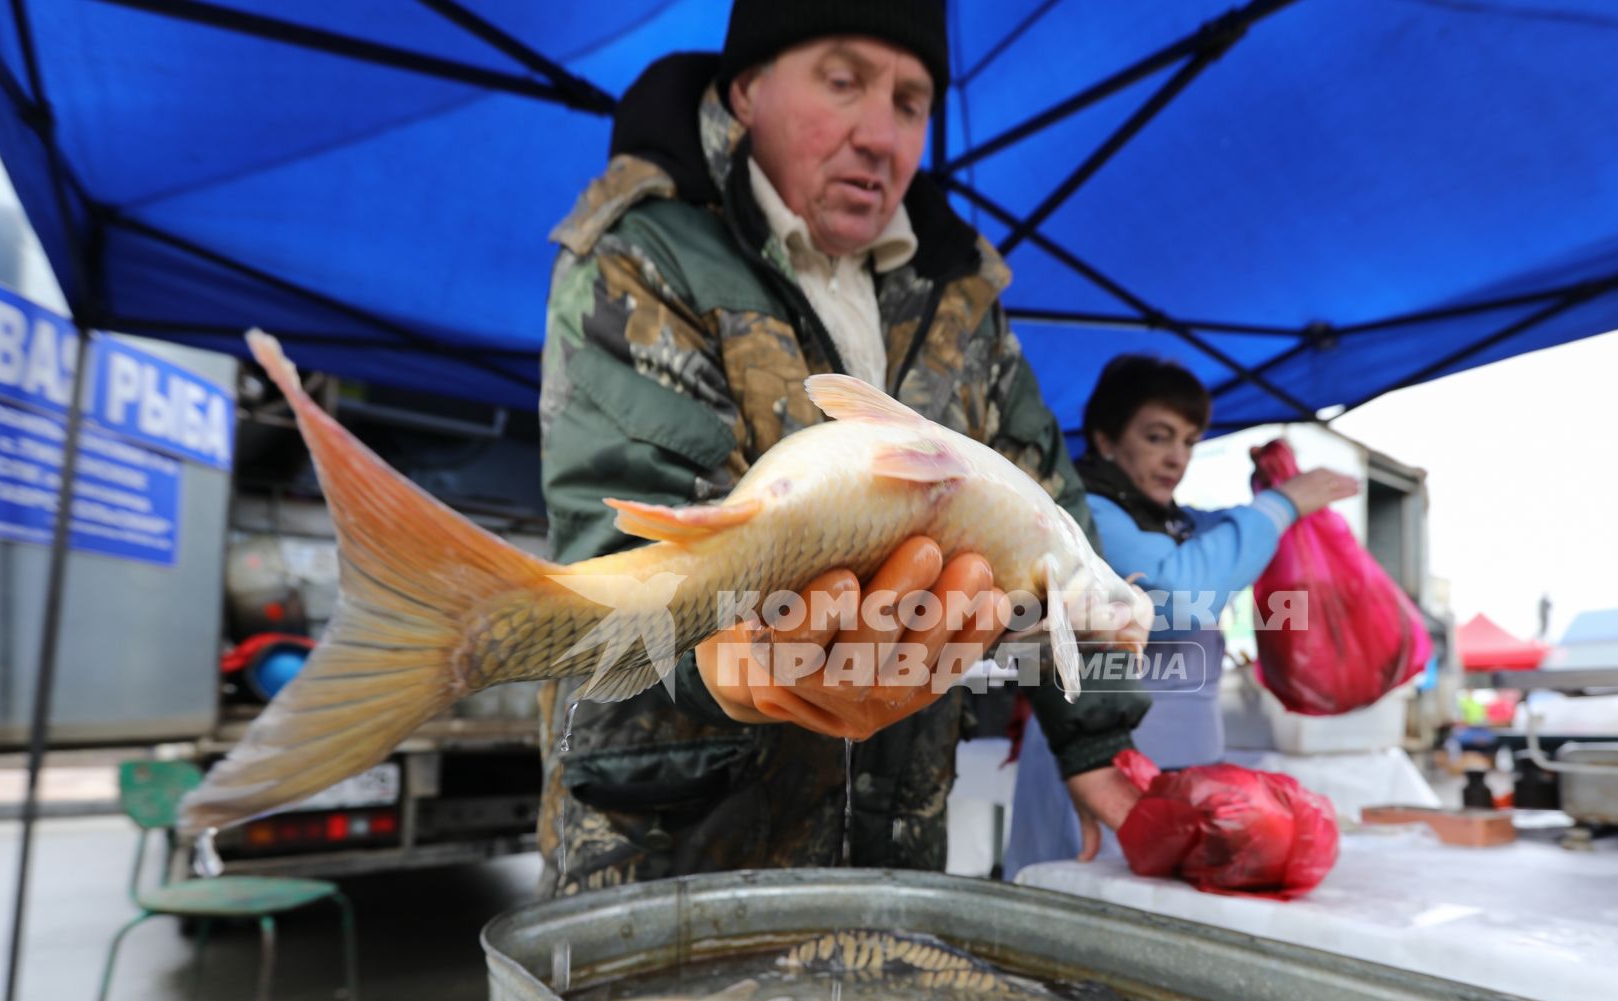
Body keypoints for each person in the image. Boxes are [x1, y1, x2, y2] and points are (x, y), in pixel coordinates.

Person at [533, 3, 1149, 895]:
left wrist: (1099, 742)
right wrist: (734, 662)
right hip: (674, 853)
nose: (879, 135)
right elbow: (618, 537)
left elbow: (1053, 521)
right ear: (746, 91)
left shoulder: (964, 296)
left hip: (895, 847)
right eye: (843, 80)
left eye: (910, 100)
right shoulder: (642, 253)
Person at [1003, 355, 1357, 880]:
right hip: (1100, 769)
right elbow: (1175, 598)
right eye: (1157, 437)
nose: (1176, 458)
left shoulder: (1185, 524)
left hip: (1186, 772)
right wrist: (1280, 506)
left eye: (1189, 441)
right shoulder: (1086, 517)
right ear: (1105, 440)